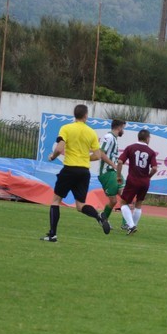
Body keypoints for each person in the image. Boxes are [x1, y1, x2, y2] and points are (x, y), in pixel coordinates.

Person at [41, 104, 115, 242]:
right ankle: (98, 216)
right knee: (80, 205)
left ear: (74, 115)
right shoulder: (91, 132)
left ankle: (52, 234)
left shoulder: (66, 128)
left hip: (69, 169)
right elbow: (98, 155)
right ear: (86, 115)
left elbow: (60, 148)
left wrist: (53, 157)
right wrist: (84, 158)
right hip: (84, 172)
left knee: (56, 200)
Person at [118, 128, 158, 236]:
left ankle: (131, 225)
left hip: (132, 180)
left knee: (123, 203)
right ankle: (133, 226)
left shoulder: (130, 148)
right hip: (144, 182)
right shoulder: (151, 152)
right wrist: (148, 177)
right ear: (147, 138)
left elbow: (120, 161)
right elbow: (154, 168)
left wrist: (118, 176)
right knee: (139, 204)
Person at [98, 119, 126, 224]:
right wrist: (113, 165)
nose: (123, 131)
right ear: (119, 127)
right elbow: (101, 153)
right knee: (113, 201)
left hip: (114, 172)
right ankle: (103, 218)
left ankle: (126, 224)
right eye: (123, 128)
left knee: (125, 196)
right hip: (107, 172)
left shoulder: (114, 138)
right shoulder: (108, 137)